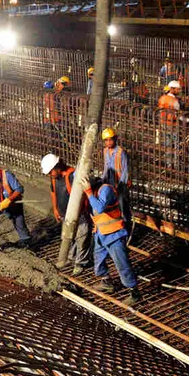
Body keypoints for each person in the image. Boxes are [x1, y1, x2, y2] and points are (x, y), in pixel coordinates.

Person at [83, 174, 141, 306]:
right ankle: (106, 281)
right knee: (98, 260)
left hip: (114, 234)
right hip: (100, 233)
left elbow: (99, 208)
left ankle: (134, 292)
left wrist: (88, 192)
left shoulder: (106, 190)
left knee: (122, 265)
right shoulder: (93, 191)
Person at [41, 154, 92, 273]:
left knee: (82, 238)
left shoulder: (72, 176)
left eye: (51, 172)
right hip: (66, 215)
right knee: (69, 237)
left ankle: (80, 263)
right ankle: (71, 257)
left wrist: (81, 213)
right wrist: (55, 208)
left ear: (57, 167)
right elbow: (53, 192)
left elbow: (83, 195)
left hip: (80, 215)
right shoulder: (55, 178)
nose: (50, 175)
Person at [101, 127, 132, 235]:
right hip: (110, 186)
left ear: (115, 139)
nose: (109, 142)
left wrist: (120, 186)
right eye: (106, 140)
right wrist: (102, 181)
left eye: (111, 139)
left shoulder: (120, 152)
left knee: (123, 209)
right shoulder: (105, 151)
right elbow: (106, 167)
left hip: (120, 187)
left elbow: (125, 172)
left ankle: (126, 232)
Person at [158, 80, 182, 169]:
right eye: (177, 89)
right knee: (176, 145)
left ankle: (168, 163)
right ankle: (176, 165)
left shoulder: (162, 98)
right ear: (172, 89)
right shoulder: (174, 101)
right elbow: (177, 115)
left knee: (167, 144)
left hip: (163, 124)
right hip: (173, 125)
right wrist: (188, 120)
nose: (179, 91)